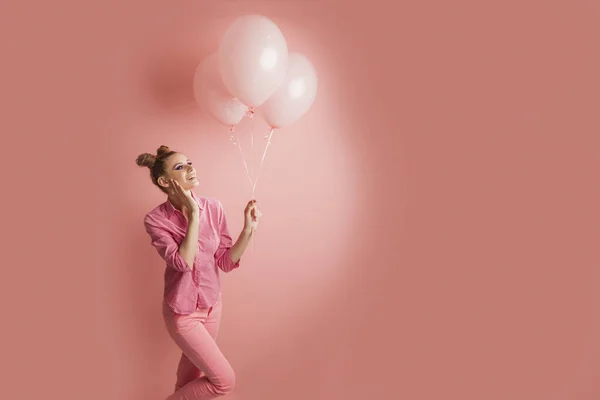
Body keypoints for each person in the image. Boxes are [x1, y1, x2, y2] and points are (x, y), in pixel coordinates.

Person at [136, 145, 260, 399]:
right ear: (164, 180)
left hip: (212, 306)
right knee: (223, 381)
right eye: (181, 167)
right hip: (183, 313)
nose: (191, 168)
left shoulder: (213, 208)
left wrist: (248, 231)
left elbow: (225, 262)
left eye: (190, 162)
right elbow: (182, 263)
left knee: (188, 381)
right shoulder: (155, 220)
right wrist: (193, 214)